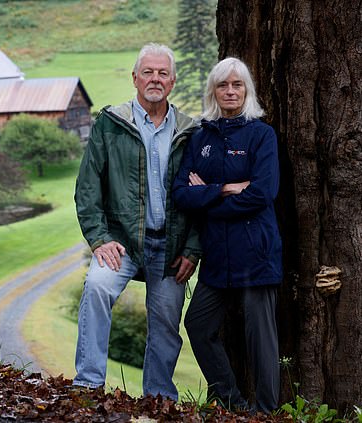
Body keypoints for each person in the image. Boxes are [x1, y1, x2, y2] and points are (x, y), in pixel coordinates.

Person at [73, 43, 201, 400]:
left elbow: (202, 200)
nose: (155, 79)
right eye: (148, 72)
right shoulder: (111, 124)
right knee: (97, 287)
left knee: (165, 324)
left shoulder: (191, 132)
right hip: (122, 242)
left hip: (172, 246)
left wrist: (192, 248)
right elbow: (87, 189)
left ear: (173, 82)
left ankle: (158, 398)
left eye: (162, 73)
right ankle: (88, 385)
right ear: (135, 78)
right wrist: (99, 239)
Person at [172, 57, 282, 413]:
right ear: (213, 91)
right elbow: (181, 193)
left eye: (237, 84)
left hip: (256, 251)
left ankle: (265, 412)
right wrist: (224, 189)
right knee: (197, 324)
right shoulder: (200, 137)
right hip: (217, 254)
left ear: (246, 90)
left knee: (259, 337)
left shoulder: (261, 135)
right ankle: (231, 402)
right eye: (223, 85)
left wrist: (207, 196)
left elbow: (262, 193)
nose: (230, 91)